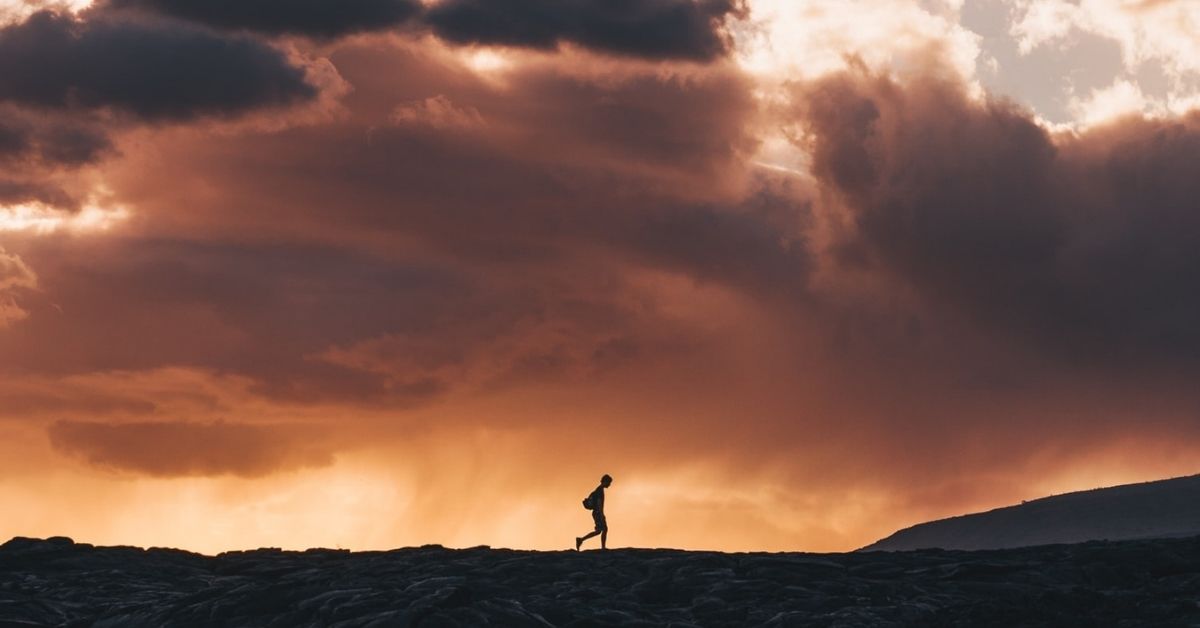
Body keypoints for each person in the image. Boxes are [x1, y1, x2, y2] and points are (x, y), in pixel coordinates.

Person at [576, 474, 612, 551]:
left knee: (599, 531)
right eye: (609, 483)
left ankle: (581, 539)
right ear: (605, 481)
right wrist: (602, 514)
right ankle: (603, 547)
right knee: (604, 529)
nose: (609, 485)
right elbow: (599, 503)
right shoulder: (599, 491)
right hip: (598, 513)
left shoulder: (599, 490)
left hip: (597, 512)